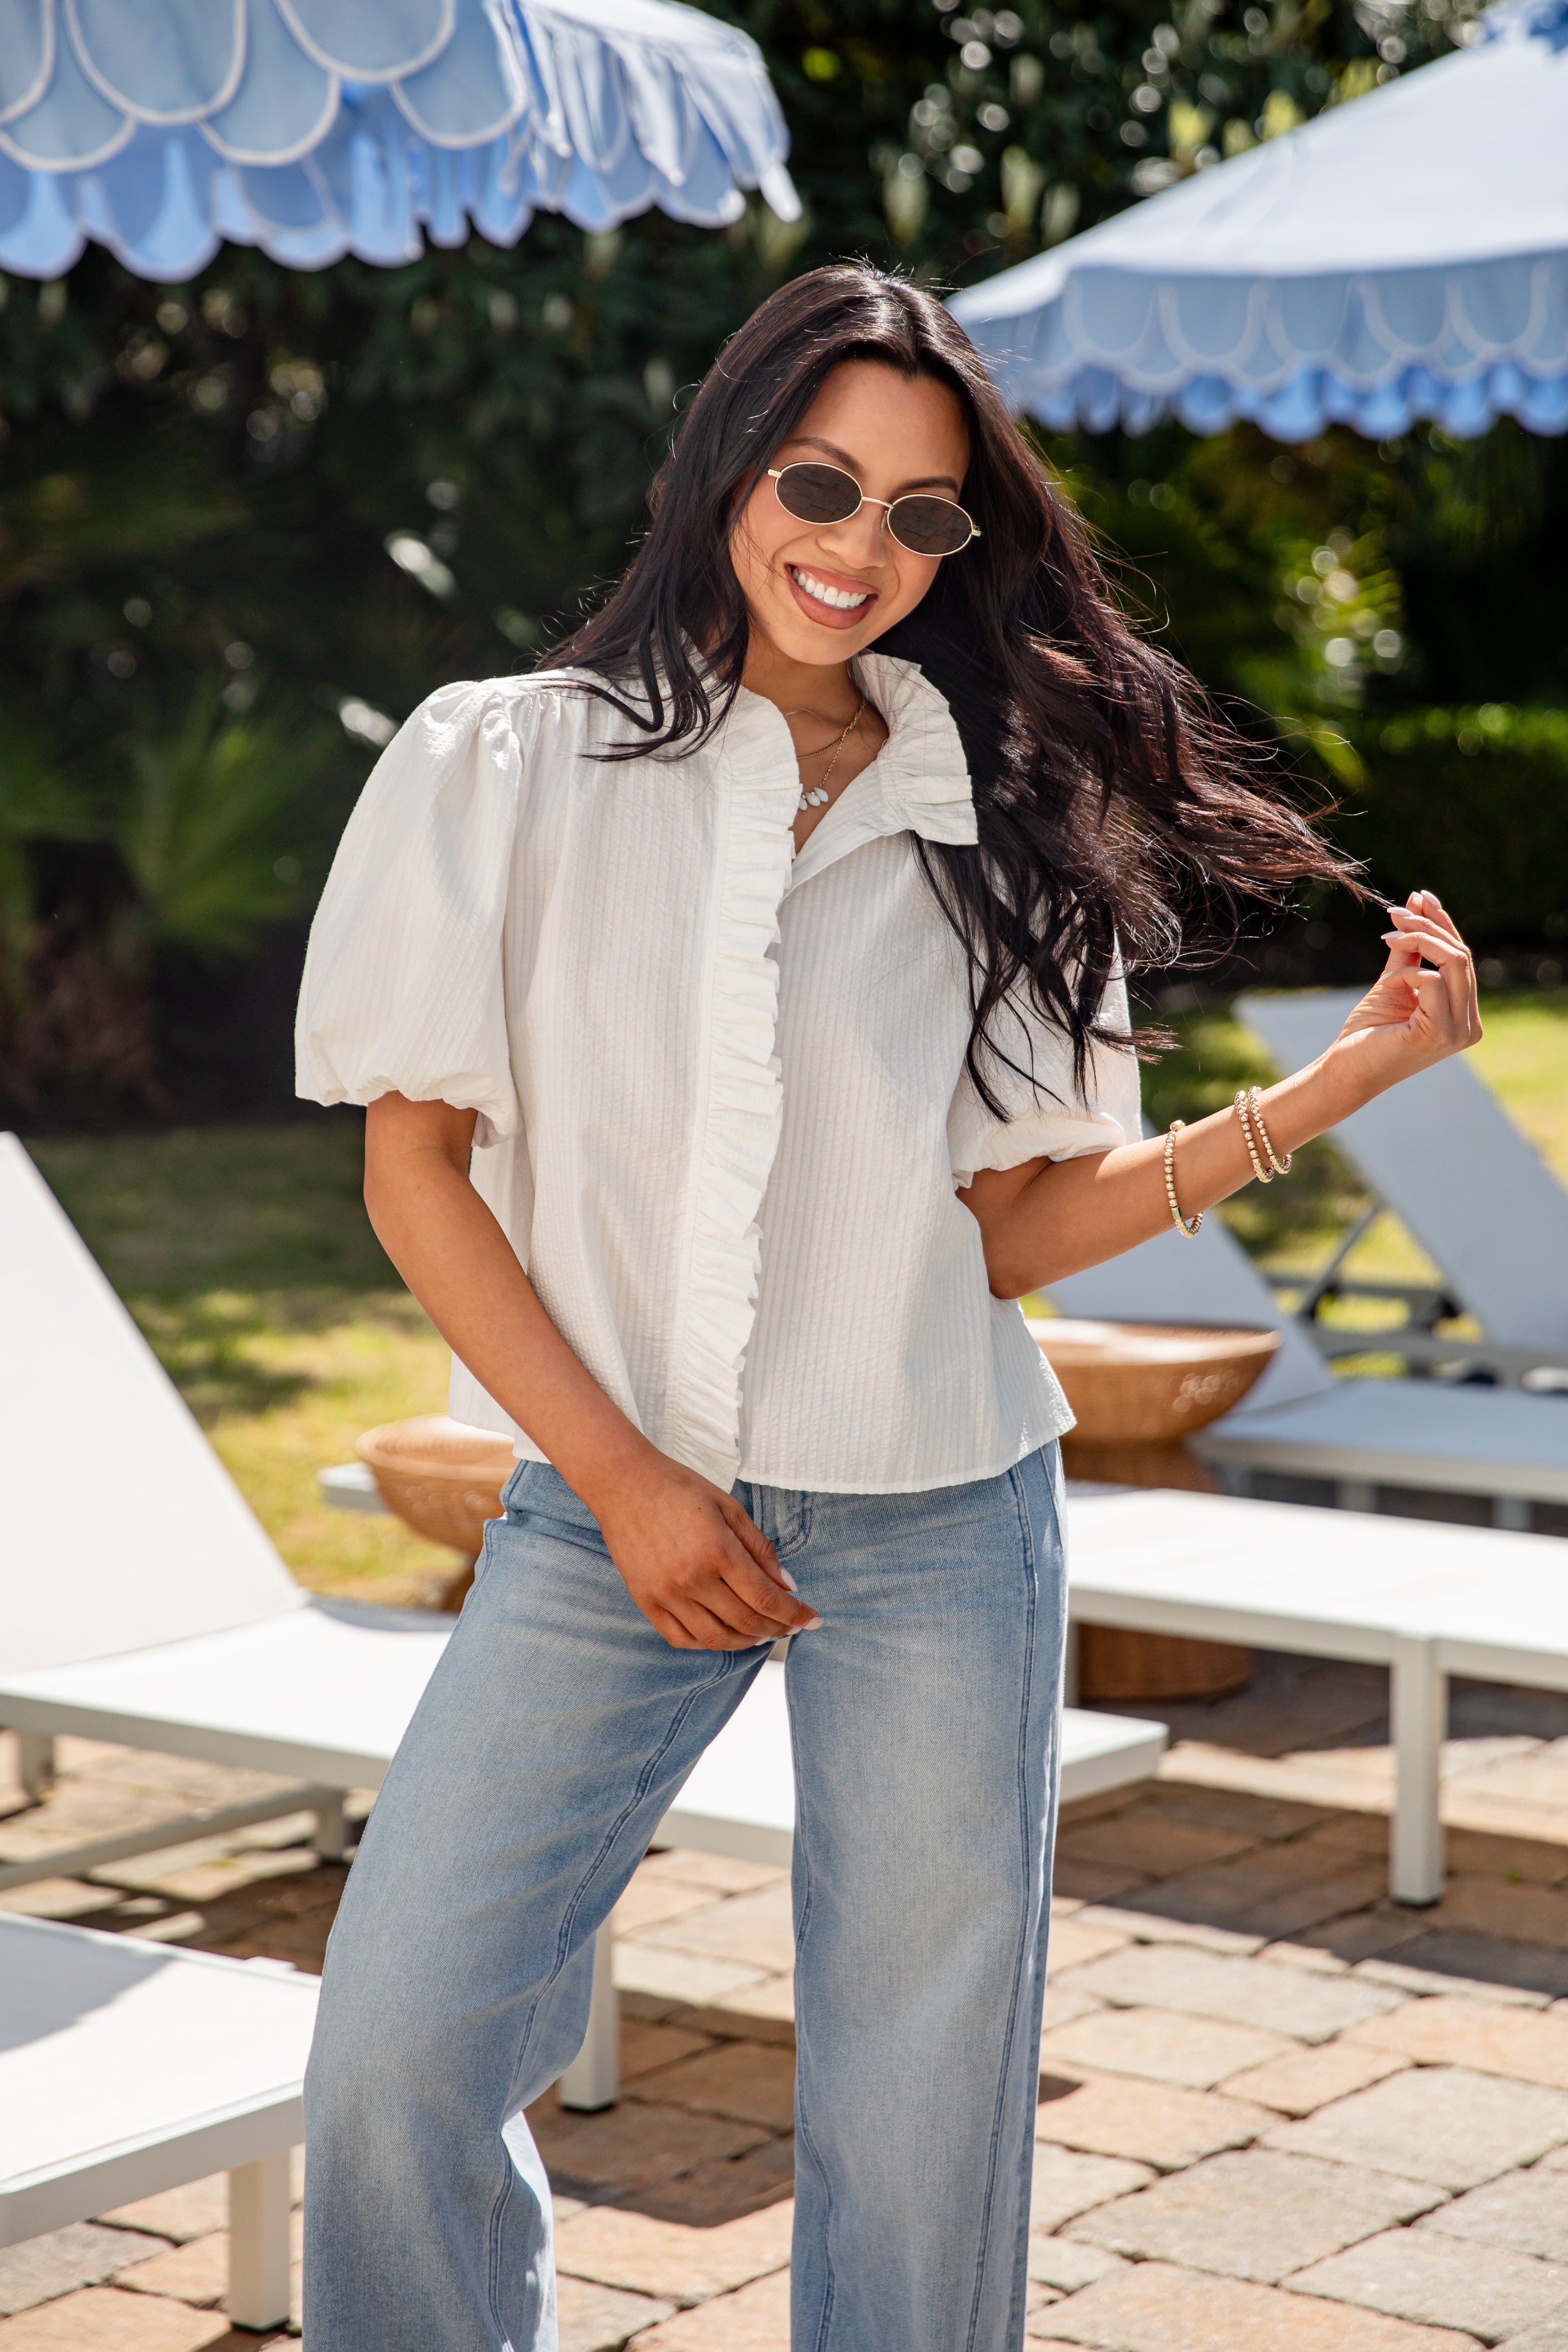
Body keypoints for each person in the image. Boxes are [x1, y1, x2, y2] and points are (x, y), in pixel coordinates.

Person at [294, 264, 1480, 2352]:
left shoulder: (997, 820)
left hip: (943, 1515)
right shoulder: (512, 764)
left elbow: (1008, 1229)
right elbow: (417, 1172)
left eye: (920, 517)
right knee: (393, 2053)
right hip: (603, 1513)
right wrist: (631, 1483)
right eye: (818, 484)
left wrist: (1340, 1088)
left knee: (923, 2124)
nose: (855, 548)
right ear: (728, 467)